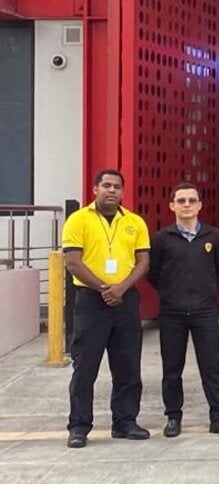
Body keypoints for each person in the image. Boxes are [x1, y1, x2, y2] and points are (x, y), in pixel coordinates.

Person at [63, 169, 150, 448]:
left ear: (123, 192)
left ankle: (125, 421)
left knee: (127, 364)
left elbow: (143, 262)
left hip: (125, 300)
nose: (112, 191)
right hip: (90, 301)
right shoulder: (78, 220)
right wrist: (104, 289)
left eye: (117, 187)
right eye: (106, 186)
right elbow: (73, 262)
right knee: (85, 365)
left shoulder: (135, 222)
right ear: (95, 190)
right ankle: (79, 426)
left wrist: (121, 289)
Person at [149, 182, 219, 437]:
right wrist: (170, 293)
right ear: (172, 205)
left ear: (199, 205)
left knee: (211, 365)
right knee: (172, 367)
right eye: (181, 201)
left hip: (204, 311)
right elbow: (153, 273)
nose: (186, 205)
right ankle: (173, 417)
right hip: (172, 313)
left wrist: (208, 293)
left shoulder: (213, 236)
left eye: (191, 200)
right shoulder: (162, 238)